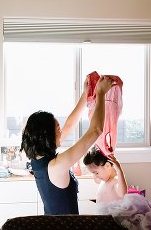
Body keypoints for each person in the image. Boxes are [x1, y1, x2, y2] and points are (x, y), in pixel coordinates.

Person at [21, 75, 113, 215]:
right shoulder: (57, 165)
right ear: (47, 136)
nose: (61, 131)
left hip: (53, 227)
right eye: (58, 128)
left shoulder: (38, 158)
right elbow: (96, 130)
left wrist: (85, 94)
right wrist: (101, 93)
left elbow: (70, 124)